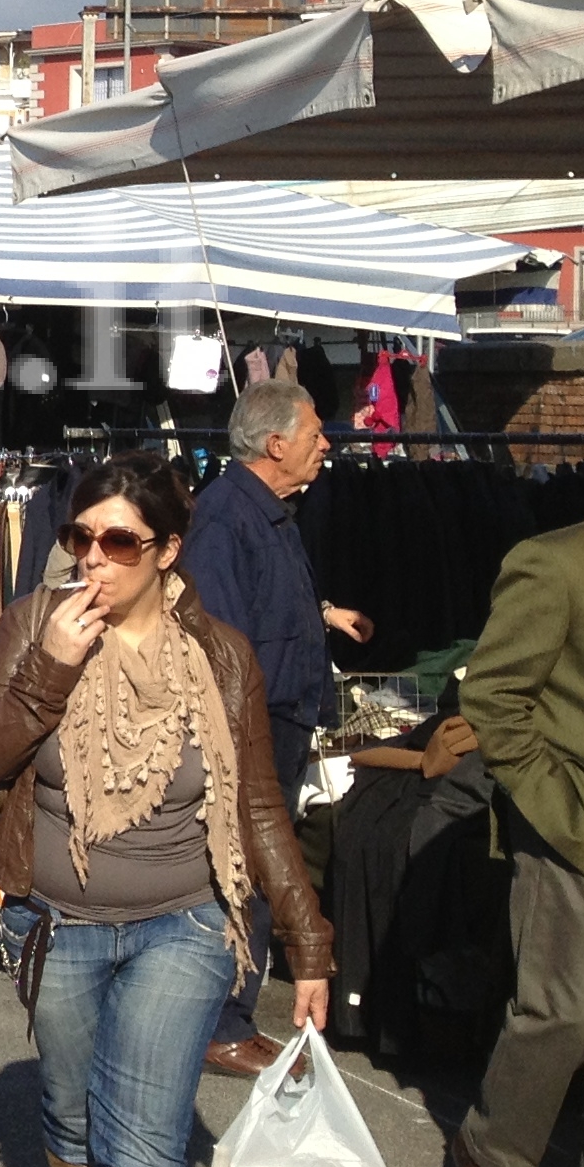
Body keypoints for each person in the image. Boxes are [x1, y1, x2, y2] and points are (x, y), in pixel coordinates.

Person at [0, 451, 331, 1167]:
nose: (93, 561)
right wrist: (49, 675)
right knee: (71, 1109)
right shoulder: (37, 627)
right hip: (61, 920)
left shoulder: (225, 658)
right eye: (80, 539)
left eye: (118, 543)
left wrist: (310, 942)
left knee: (153, 1129)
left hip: (188, 921)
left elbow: (257, 808)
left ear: (168, 552)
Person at [441, 489, 584, 1167]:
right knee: (567, 1011)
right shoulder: (556, 563)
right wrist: (556, 809)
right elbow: (491, 699)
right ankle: (490, 1152)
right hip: (572, 824)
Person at [180, 377, 373, 1075]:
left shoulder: (271, 511)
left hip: (282, 714)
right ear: (275, 443)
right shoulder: (228, 517)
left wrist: (321, 617)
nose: (328, 443)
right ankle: (224, 1023)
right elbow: (221, 637)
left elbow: (266, 598)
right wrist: (244, 739)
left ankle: (227, 1016)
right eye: (317, 432)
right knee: (247, 872)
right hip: (252, 727)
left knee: (258, 869)